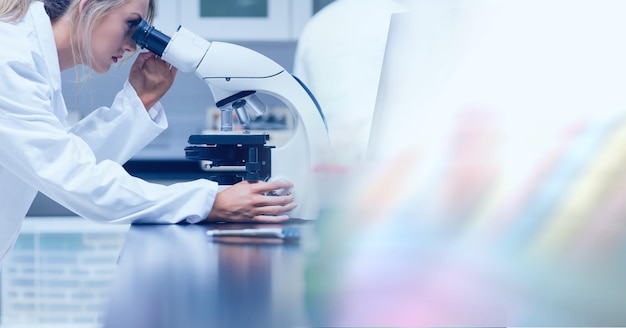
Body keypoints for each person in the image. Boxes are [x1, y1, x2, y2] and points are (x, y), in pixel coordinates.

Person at [0, 0, 297, 264]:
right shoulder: (10, 61)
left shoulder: (28, 60)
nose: (134, 44)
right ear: (88, 6)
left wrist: (140, 100)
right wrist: (210, 202)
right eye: (131, 24)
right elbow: (75, 180)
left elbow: (64, 161)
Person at [293, 0, 406, 166]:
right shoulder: (400, 17)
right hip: (387, 159)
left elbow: (300, 101)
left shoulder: (316, 23)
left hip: (329, 159)